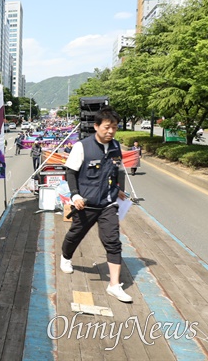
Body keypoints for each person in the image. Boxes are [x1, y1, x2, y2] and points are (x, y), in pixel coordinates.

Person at [59, 106, 132, 303]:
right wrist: (75, 195)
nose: (110, 132)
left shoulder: (116, 146)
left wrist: (118, 189)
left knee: (113, 241)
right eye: (107, 127)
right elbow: (71, 172)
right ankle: (66, 257)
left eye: (114, 128)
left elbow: (115, 172)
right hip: (86, 203)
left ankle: (114, 286)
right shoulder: (82, 146)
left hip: (108, 203)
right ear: (96, 126)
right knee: (76, 234)